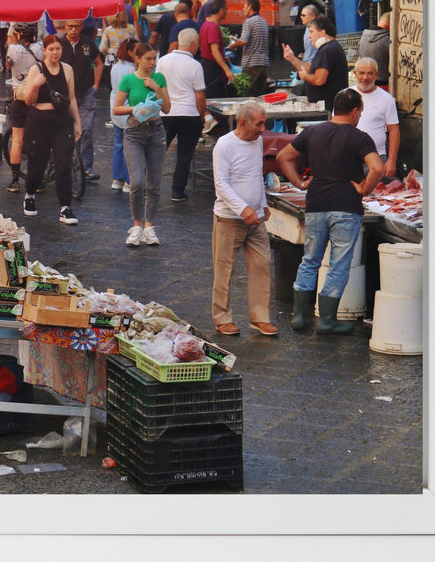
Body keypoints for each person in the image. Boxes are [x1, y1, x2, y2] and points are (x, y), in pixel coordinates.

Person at [275, 88, 383, 334]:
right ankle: (327, 320)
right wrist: (365, 188)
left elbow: (283, 157)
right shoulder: (360, 137)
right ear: (355, 111)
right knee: (338, 264)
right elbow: (377, 168)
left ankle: (300, 317)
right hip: (346, 207)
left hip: (316, 205)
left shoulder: (312, 131)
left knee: (310, 260)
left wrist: (299, 183)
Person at [211, 101, 278, 337]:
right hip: (230, 218)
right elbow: (221, 184)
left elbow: (255, 174)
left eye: (264, 123)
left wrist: (262, 204)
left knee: (262, 266)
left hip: (256, 218)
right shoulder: (224, 145)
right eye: (259, 124)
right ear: (242, 123)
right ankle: (222, 318)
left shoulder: (257, 140)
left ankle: (260, 317)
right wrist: (242, 208)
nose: (263, 129)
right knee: (224, 269)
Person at [111, 43, 170, 246]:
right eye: (148, 59)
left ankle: (150, 227)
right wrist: (135, 108)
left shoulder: (159, 78)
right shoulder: (128, 80)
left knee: (154, 183)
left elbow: (168, 108)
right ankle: (137, 226)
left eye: (154, 58)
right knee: (137, 182)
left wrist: (156, 89)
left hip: (156, 131)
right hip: (134, 131)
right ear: (137, 59)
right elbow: (116, 109)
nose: (152, 63)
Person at [21, 34, 82, 225]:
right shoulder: (36, 69)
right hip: (39, 119)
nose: (55, 53)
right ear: (44, 51)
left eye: (58, 49)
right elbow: (28, 101)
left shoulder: (68, 69)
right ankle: (30, 194)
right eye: (51, 49)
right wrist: (35, 86)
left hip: (61, 120)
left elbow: (71, 98)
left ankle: (65, 207)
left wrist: (77, 122)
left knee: (64, 161)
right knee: (38, 162)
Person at [157, 28, 208, 201]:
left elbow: (158, 88)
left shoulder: (162, 61)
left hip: (165, 112)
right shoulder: (195, 65)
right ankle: (177, 190)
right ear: (193, 44)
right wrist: (203, 117)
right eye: (198, 44)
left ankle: (148, 186)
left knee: (157, 151)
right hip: (188, 113)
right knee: (184, 154)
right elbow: (200, 97)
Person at [60, 18, 102, 181]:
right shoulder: (59, 44)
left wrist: (96, 85)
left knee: (86, 130)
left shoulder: (88, 43)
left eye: (77, 27)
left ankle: (86, 167)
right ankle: (62, 163)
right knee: (63, 131)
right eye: (70, 27)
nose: (73, 30)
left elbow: (98, 63)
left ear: (82, 27)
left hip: (85, 94)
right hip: (65, 96)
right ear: (65, 27)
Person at [3, 23, 42, 193]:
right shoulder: (40, 48)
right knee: (38, 140)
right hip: (37, 98)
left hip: (19, 97)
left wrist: (12, 38)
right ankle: (38, 181)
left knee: (17, 140)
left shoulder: (12, 49)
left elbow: (8, 66)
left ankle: (14, 181)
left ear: (18, 35)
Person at [282, 16, 348, 110]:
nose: (309, 36)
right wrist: (292, 58)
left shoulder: (327, 50)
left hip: (326, 107)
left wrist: (305, 77)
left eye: (312, 32)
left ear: (322, 32)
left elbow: (319, 79)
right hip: (324, 106)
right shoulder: (327, 48)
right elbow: (310, 68)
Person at [350, 57, 400, 177]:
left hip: (377, 158)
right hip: (349, 158)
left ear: (376, 75)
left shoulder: (387, 99)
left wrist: (391, 161)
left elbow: (394, 130)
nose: (365, 78)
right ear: (355, 73)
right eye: (361, 73)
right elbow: (336, 125)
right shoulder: (345, 95)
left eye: (370, 73)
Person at [109, 37, 137, 193]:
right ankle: (128, 180)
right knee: (131, 146)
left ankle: (117, 179)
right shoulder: (132, 70)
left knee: (119, 145)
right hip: (127, 110)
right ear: (131, 52)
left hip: (115, 109)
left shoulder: (115, 67)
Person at [230, 0, 271, 96]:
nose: (243, 9)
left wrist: (232, 46)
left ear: (250, 7)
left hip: (251, 62)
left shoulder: (248, 22)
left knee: (248, 93)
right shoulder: (264, 22)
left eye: (244, 6)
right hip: (263, 62)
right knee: (260, 93)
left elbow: (243, 41)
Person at [198, 0, 236, 97]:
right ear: (221, 10)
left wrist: (224, 58)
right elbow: (214, 51)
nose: (226, 12)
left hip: (207, 65)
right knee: (215, 97)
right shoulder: (213, 27)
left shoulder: (205, 25)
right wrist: (227, 70)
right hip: (212, 69)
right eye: (225, 9)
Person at [356, 12, 391, 86]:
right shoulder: (387, 40)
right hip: (383, 84)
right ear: (390, 23)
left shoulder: (363, 38)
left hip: (366, 83)